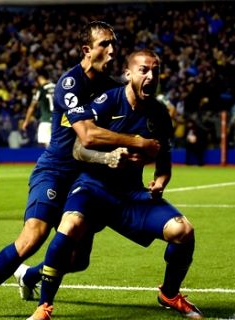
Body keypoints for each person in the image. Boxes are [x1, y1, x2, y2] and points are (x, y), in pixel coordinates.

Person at [0, 21, 160, 320]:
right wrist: (138, 141)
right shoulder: (70, 83)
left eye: (114, 44)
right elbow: (88, 136)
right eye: (105, 44)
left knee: (77, 260)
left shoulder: (115, 90)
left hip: (87, 180)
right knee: (32, 237)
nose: (113, 50)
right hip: (55, 171)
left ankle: (29, 276)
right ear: (87, 50)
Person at [27, 49, 203, 320]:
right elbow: (79, 148)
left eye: (155, 70)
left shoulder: (159, 114)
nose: (151, 76)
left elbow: (163, 163)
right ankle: (44, 307)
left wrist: (160, 182)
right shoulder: (107, 101)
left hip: (130, 196)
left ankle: (169, 293)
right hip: (92, 188)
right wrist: (108, 157)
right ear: (128, 74)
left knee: (183, 231)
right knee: (70, 228)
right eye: (144, 70)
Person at [22, 69, 56, 148]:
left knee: (48, 143)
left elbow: (32, 107)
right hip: (59, 119)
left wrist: (26, 121)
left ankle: (54, 159)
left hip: (46, 119)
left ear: (40, 78)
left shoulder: (41, 89)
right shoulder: (57, 86)